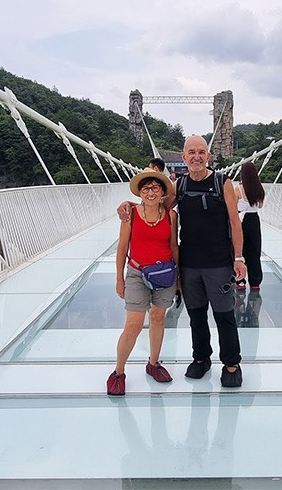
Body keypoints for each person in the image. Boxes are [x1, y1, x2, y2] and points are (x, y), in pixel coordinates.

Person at [119, 135, 246, 387]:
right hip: (189, 264)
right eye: (192, 152)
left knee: (224, 315)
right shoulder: (181, 185)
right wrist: (130, 205)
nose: (196, 157)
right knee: (196, 315)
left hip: (219, 263)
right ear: (184, 156)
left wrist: (239, 258)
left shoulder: (222, 183)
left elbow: (235, 222)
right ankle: (201, 359)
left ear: (208, 156)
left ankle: (231, 364)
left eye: (201, 152)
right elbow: (156, 205)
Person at [108, 168, 179, 396]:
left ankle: (154, 363)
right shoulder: (130, 214)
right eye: (146, 188)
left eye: (155, 187)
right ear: (140, 192)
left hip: (164, 273)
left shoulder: (171, 215)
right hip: (137, 273)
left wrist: (179, 278)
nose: (150, 192)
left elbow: (173, 246)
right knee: (133, 325)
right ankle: (118, 372)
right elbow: (122, 247)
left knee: (158, 318)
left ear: (162, 191)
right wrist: (119, 278)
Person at [233, 161, 265, 290]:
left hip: (241, 220)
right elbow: (261, 206)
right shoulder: (259, 189)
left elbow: (233, 208)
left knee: (240, 251)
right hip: (254, 220)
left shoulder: (238, 190)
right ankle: (255, 281)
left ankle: (240, 281)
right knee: (254, 251)